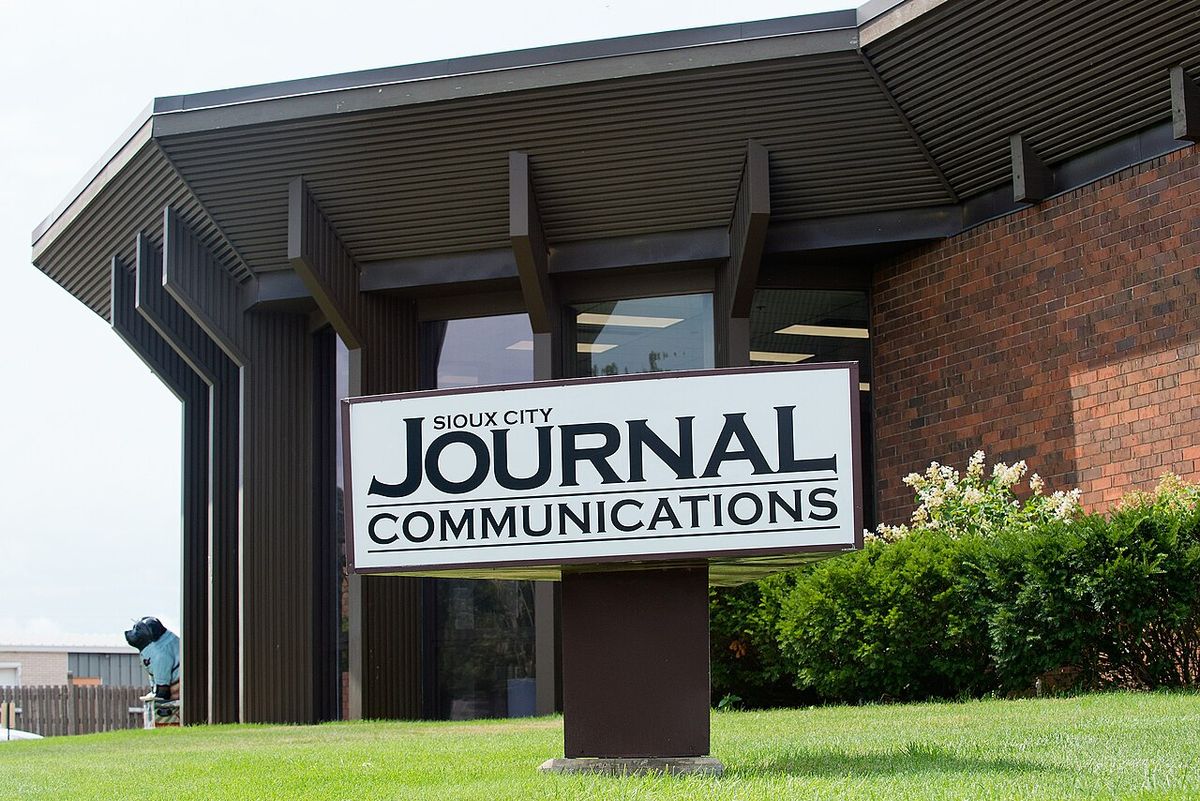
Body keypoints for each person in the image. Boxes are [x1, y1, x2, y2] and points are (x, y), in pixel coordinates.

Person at [123, 617, 180, 719]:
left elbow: (163, 686)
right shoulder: (154, 648)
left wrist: (160, 694)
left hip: (177, 689)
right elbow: (153, 672)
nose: (131, 633)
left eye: (137, 630)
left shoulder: (160, 653)